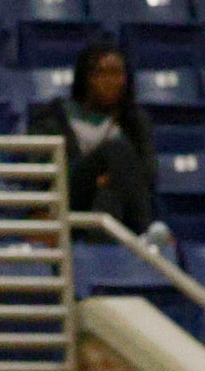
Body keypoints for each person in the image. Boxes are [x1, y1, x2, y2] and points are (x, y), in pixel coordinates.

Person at [35, 39, 162, 241]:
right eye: (104, 73)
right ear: (86, 77)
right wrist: (95, 178)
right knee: (115, 150)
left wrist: (107, 182)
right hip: (70, 199)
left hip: (117, 207)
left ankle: (111, 257)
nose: (113, 81)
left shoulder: (134, 122)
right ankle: (146, 232)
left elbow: (148, 175)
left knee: (108, 198)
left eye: (118, 73)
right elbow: (42, 172)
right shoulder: (56, 116)